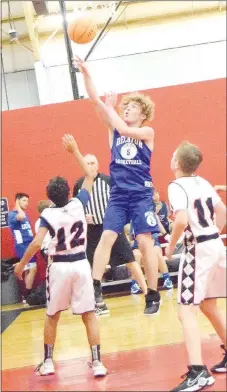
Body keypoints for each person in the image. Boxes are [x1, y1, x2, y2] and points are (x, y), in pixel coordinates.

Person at [14, 135, 107, 378]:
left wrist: (22, 264)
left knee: (52, 315)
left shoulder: (49, 216)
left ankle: (48, 362)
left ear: (49, 198)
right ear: (69, 191)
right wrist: (75, 150)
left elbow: (36, 243)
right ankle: (97, 362)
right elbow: (90, 176)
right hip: (80, 264)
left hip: (60, 267)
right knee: (88, 314)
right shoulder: (78, 204)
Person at [74, 56, 160, 315]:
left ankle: (153, 294)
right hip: (120, 194)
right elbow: (95, 101)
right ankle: (96, 286)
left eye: (132, 107)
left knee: (145, 241)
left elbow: (122, 127)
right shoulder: (113, 129)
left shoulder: (147, 133)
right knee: (107, 236)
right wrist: (86, 74)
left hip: (142, 194)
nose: (126, 109)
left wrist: (112, 110)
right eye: (125, 106)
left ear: (143, 114)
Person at [165, 141, 226, 391]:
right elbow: (223, 211)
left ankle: (198, 372)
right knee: (207, 304)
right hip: (215, 245)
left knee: (185, 309)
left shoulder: (176, 186)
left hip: (198, 248)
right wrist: (215, 233)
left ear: (177, 164)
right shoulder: (203, 183)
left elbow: (180, 219)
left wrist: (170, 248)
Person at [73, 153, 147, 313]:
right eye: (87, 163)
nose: (90, 166)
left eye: (93, 163)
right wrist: (83, 217)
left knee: (130, 260)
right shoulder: (79, 184)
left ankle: (148, 293)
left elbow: (121, 202)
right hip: (91, 231)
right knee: (93, 267)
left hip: (111, 227)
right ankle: (98, 302)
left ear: (98, 165)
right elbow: (75, 207)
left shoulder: (108, 180)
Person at [8, 193, 37, 301]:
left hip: (29, 245)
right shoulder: (13, 214)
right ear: (18, 201)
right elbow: (21, 217)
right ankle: (27, 294)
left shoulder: (24, 214)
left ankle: (26, 295)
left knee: (29, 270)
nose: (27, 203)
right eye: (24, 200)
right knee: (33, 269)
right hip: (22, 246)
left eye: (27, 201)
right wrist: (18, 207)